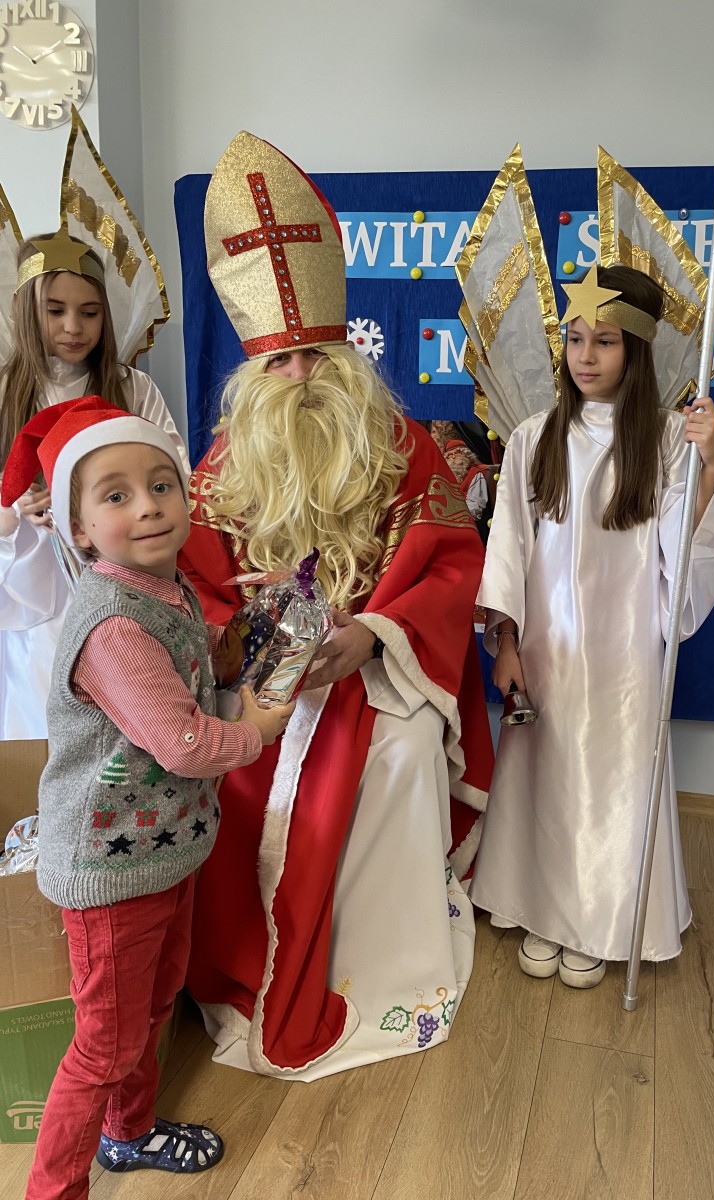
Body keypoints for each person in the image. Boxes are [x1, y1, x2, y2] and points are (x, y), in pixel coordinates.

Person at [179, 131, 492, 1081]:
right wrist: (247, 647)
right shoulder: (222, 466)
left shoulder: (401, 443)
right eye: (281, 362)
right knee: (239, 771)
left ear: (344, 351)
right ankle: (243, 967)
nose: (303, 378)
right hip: (264, 680)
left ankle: (379, 963)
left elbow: (451, 564)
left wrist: (372, 635)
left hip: (378, 669)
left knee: (399, 758)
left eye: (316, 354)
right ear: (252, 371)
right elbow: (196, 587)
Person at [1, 395, 293, 1200]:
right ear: (79, 527)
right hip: (109, 870)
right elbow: (184, 742)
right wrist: (256, 729)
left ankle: (128, 1135)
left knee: (155, 1005)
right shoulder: (113, 624)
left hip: (160, 848)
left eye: (162, 485)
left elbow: (188, 667)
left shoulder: (164, 589)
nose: (149, 506)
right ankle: (53, 1190)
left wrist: (246, 638)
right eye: (116, 494)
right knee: (102, 1045)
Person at [469, 264, 714, 987]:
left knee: (614, 781)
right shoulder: (534, 437)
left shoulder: (666, 441)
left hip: (623, 650)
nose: (585, 356)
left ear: (638, 349)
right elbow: (509, 547)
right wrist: (506, 641)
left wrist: (709, 463)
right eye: (574, 338)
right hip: (548, 647)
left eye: (606, 341)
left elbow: (685, 550)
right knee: (546, 777)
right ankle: (541, 906)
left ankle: (600, 920)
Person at [0, 231, 187, 739]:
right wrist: (15, 509)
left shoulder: (131, 388)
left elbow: (175, 472)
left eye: (89, 312)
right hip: (33, 588)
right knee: (45, 718)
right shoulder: (6, 392)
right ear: (22, 307)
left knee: (133, 717)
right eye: (55, 311)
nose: (73, 327)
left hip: (121, 578)